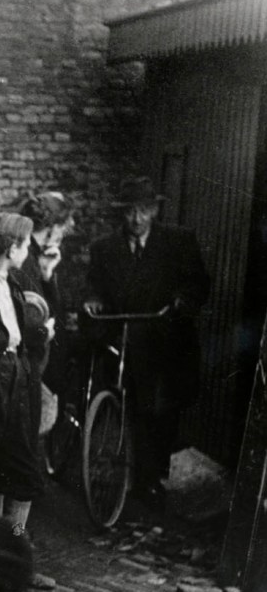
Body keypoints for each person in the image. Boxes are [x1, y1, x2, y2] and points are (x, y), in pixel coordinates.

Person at [85, 176, 211, 506]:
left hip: (165, 340)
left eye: (143, 211)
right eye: (129, 212)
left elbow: (198, 285)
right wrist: (94, 300)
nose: (136, 219)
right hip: (124, 337)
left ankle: (151, 477)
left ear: (154, 210)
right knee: (127, 406)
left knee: (161, 413)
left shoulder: (179, 242)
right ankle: (128, 474)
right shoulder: (104, 249)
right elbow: (93, 286)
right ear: (121, 214)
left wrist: (182, 302)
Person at [0, 214, 55, 588]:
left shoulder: (15, 280)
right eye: (26, 244)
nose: (30, 251)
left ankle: (14, 559)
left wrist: (39, 335)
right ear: (11, 248)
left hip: (19, 380)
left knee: (20, 467)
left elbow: (24, 324)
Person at [10, 190, 75, 422]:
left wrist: (47, 276)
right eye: (63, 226)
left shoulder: (34, 256)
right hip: (30, 363)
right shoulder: (25, 259)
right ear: (52, 227)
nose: (65, 232)